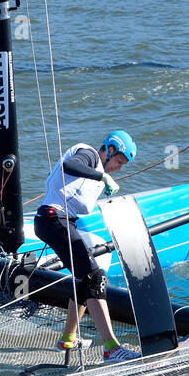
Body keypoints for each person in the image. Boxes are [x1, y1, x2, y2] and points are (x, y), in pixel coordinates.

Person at [33, 130, 141, 362]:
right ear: (110, 150)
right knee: (95, 278)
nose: (118, 168)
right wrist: (101, 177)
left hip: (58, 221)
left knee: (85, 279)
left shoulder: (96, 171)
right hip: (53, 219)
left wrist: (100, 180)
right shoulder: (89, 154)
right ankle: (111, 348)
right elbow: (70, 165)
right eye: (119, 161)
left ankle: (68, 339)